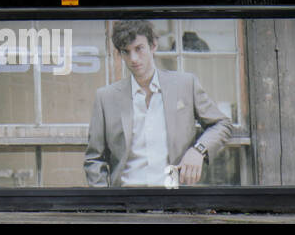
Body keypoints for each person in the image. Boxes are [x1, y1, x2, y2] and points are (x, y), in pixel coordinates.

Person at [84, 19, 231, 187]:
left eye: (139, 49)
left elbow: (222, 124)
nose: (133, 59)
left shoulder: (185, 85)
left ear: (153, 45)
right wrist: (106, 204)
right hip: (126, 203)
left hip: (175, 199)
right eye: (126, 52)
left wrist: (198, 151)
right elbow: (94, 159)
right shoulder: (106, 97)